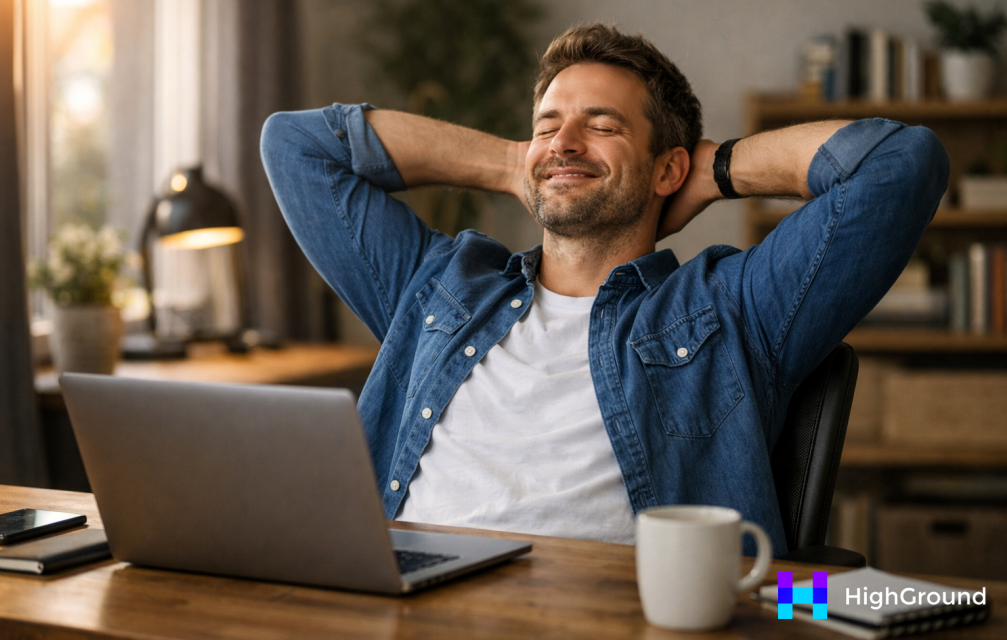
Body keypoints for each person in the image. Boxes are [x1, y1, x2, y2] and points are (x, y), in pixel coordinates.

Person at [261, 23, 947, 554]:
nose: (563, 142)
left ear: (666, 169)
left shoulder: (727, 308)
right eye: (547, 124)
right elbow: (294, 145)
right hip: (404, 604)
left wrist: (716, 169)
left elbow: (900, 165)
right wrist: (515, 163)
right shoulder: (441, 287)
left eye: (602, 125)